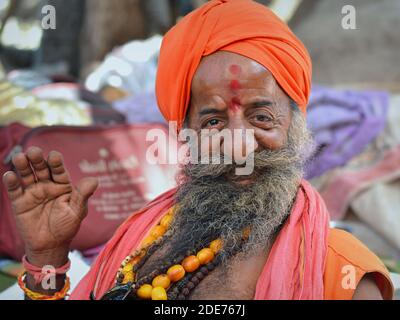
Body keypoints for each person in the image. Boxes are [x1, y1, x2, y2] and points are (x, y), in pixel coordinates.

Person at [2, 0, 393, 300]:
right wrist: (48, 256)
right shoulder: (141, 236)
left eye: (261, 118)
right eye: (213, 122)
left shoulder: (341, 275)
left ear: (296, 123)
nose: (238, 143)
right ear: (184, 131)